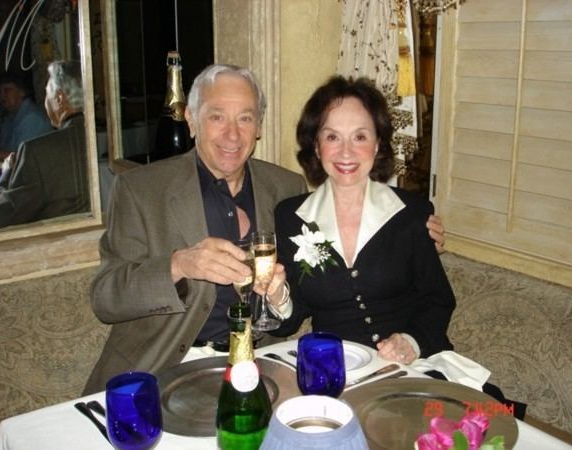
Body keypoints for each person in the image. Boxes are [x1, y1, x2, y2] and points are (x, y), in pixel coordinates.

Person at [83, 64, 445, 394]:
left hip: (261, 366)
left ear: (259, 126)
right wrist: (179, 264)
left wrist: (416, 232)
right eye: (217, 117)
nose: (232, 134)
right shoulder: (141, 189)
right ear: (191, 120)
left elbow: (302, 292)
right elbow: (105, 298)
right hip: (164, 366)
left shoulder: (285, 190)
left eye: (245, 118)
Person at [270, 76, 455, 365]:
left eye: (360, 136)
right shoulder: (290, 217)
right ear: (317, 147)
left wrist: (410, 342)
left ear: (378, 145)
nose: (346, 152)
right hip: (336, 371)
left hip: (413, 366)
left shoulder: (412, 212)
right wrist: (277, 295)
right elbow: (287, 323)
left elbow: (438, 300)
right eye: (332, 137)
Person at [0, 61, 89, 229]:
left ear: (59, 98)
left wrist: (6, 174)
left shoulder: (36, 151)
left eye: (47, 95)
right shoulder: (96, 138)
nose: (45, 103)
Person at [0, 72, 52, 161]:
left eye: (7, 90)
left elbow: (20, 157)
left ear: (22, 92)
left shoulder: (32, 118)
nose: (2, 96)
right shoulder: (9, 119)